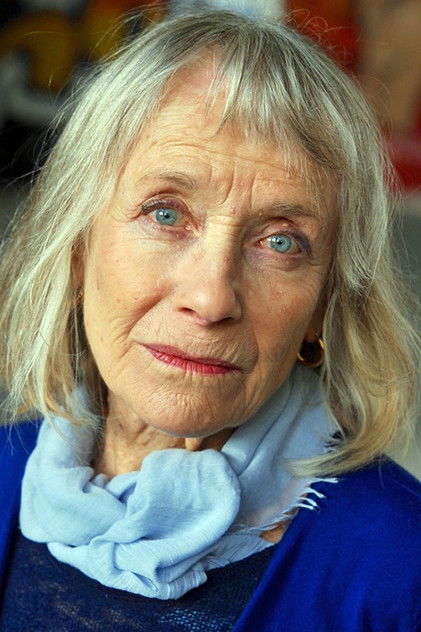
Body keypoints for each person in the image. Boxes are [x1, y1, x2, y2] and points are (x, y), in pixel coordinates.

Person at [0, 9, 420, 632]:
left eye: (281, 242)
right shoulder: (6, 469)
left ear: (322, 307)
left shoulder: (401, 570)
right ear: (79, 247)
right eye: (166, 214)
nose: (211, 298)